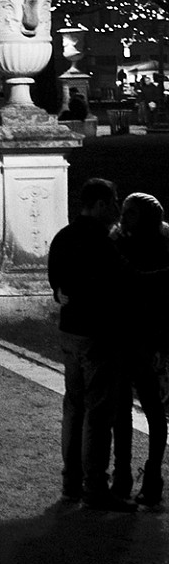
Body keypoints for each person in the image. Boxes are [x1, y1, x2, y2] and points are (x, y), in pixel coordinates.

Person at [48, 177, 128, 508]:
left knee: (74, 406)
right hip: (97, 333)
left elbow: (56, 281)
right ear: (98, 205)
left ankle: (71, 481)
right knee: (98, 412)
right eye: (112, 202)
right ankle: (96, 485)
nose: (116, 209)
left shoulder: (64, 237)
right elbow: (121, 283)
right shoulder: (102, 243)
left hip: (71, 332)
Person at [111, 192, 169, 508]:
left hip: (144, 339)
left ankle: (145, 476)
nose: (124, 218)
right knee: (128, 410)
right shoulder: (121, 241)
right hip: (129, 337)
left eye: (130, 214)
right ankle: (129, 476)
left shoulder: (155, 244)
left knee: (146, 409)